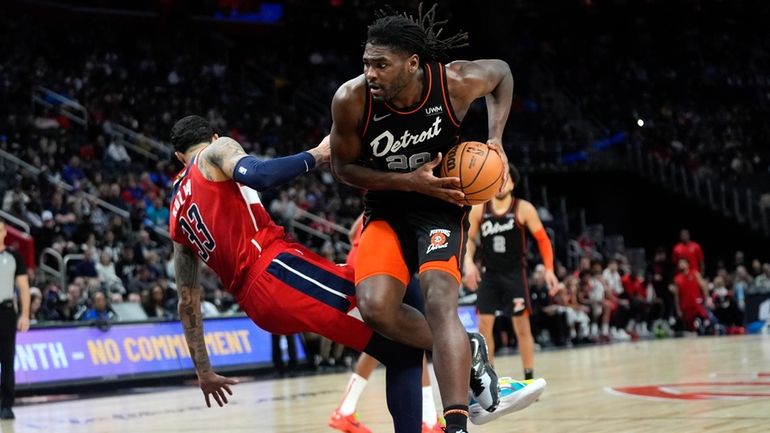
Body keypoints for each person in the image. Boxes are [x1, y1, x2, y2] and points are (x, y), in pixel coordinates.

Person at [167, 116, 530, 433]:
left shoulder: (175, 214)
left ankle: (462, 378)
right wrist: (319, 154)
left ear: (178, 157)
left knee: (400, 337)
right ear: (214, 138)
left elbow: (187, 301)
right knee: (395, 319)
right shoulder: (215, 153)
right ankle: (470, 351)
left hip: (259, 299)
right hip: (278, 272)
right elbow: (261, 175)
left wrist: (204, 370)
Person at [329, 5, 525, 431]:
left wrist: (495, 138)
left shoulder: (454, 82)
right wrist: (410, 182)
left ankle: (455, 423)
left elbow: (503, 73)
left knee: (440, 302)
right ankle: (469, 347)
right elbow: (342, 169)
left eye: (382, 64)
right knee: (375, 308)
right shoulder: (351, 99)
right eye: (367, 63)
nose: (371, 73)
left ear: (413, 63)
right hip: (386, 208)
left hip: (443, 204)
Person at [463, 165, 558, 378]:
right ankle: (489, 376)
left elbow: (543, 240)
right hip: (490, 274)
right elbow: (468, 237)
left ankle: (528, 376)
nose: (500, 184)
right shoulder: (480, 208)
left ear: (513, 184)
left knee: (522, 327)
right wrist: (468, 262)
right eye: (497, 180)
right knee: (484, 326)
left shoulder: (523, 208)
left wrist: (549, 270)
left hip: (515, 274)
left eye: (505, 180)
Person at [0, 217, 31, 420]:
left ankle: (6, 405)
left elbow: (24, 289)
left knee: (7, 359)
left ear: (4, 232)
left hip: (6, 311)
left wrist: (25, 315)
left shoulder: (14, 257)